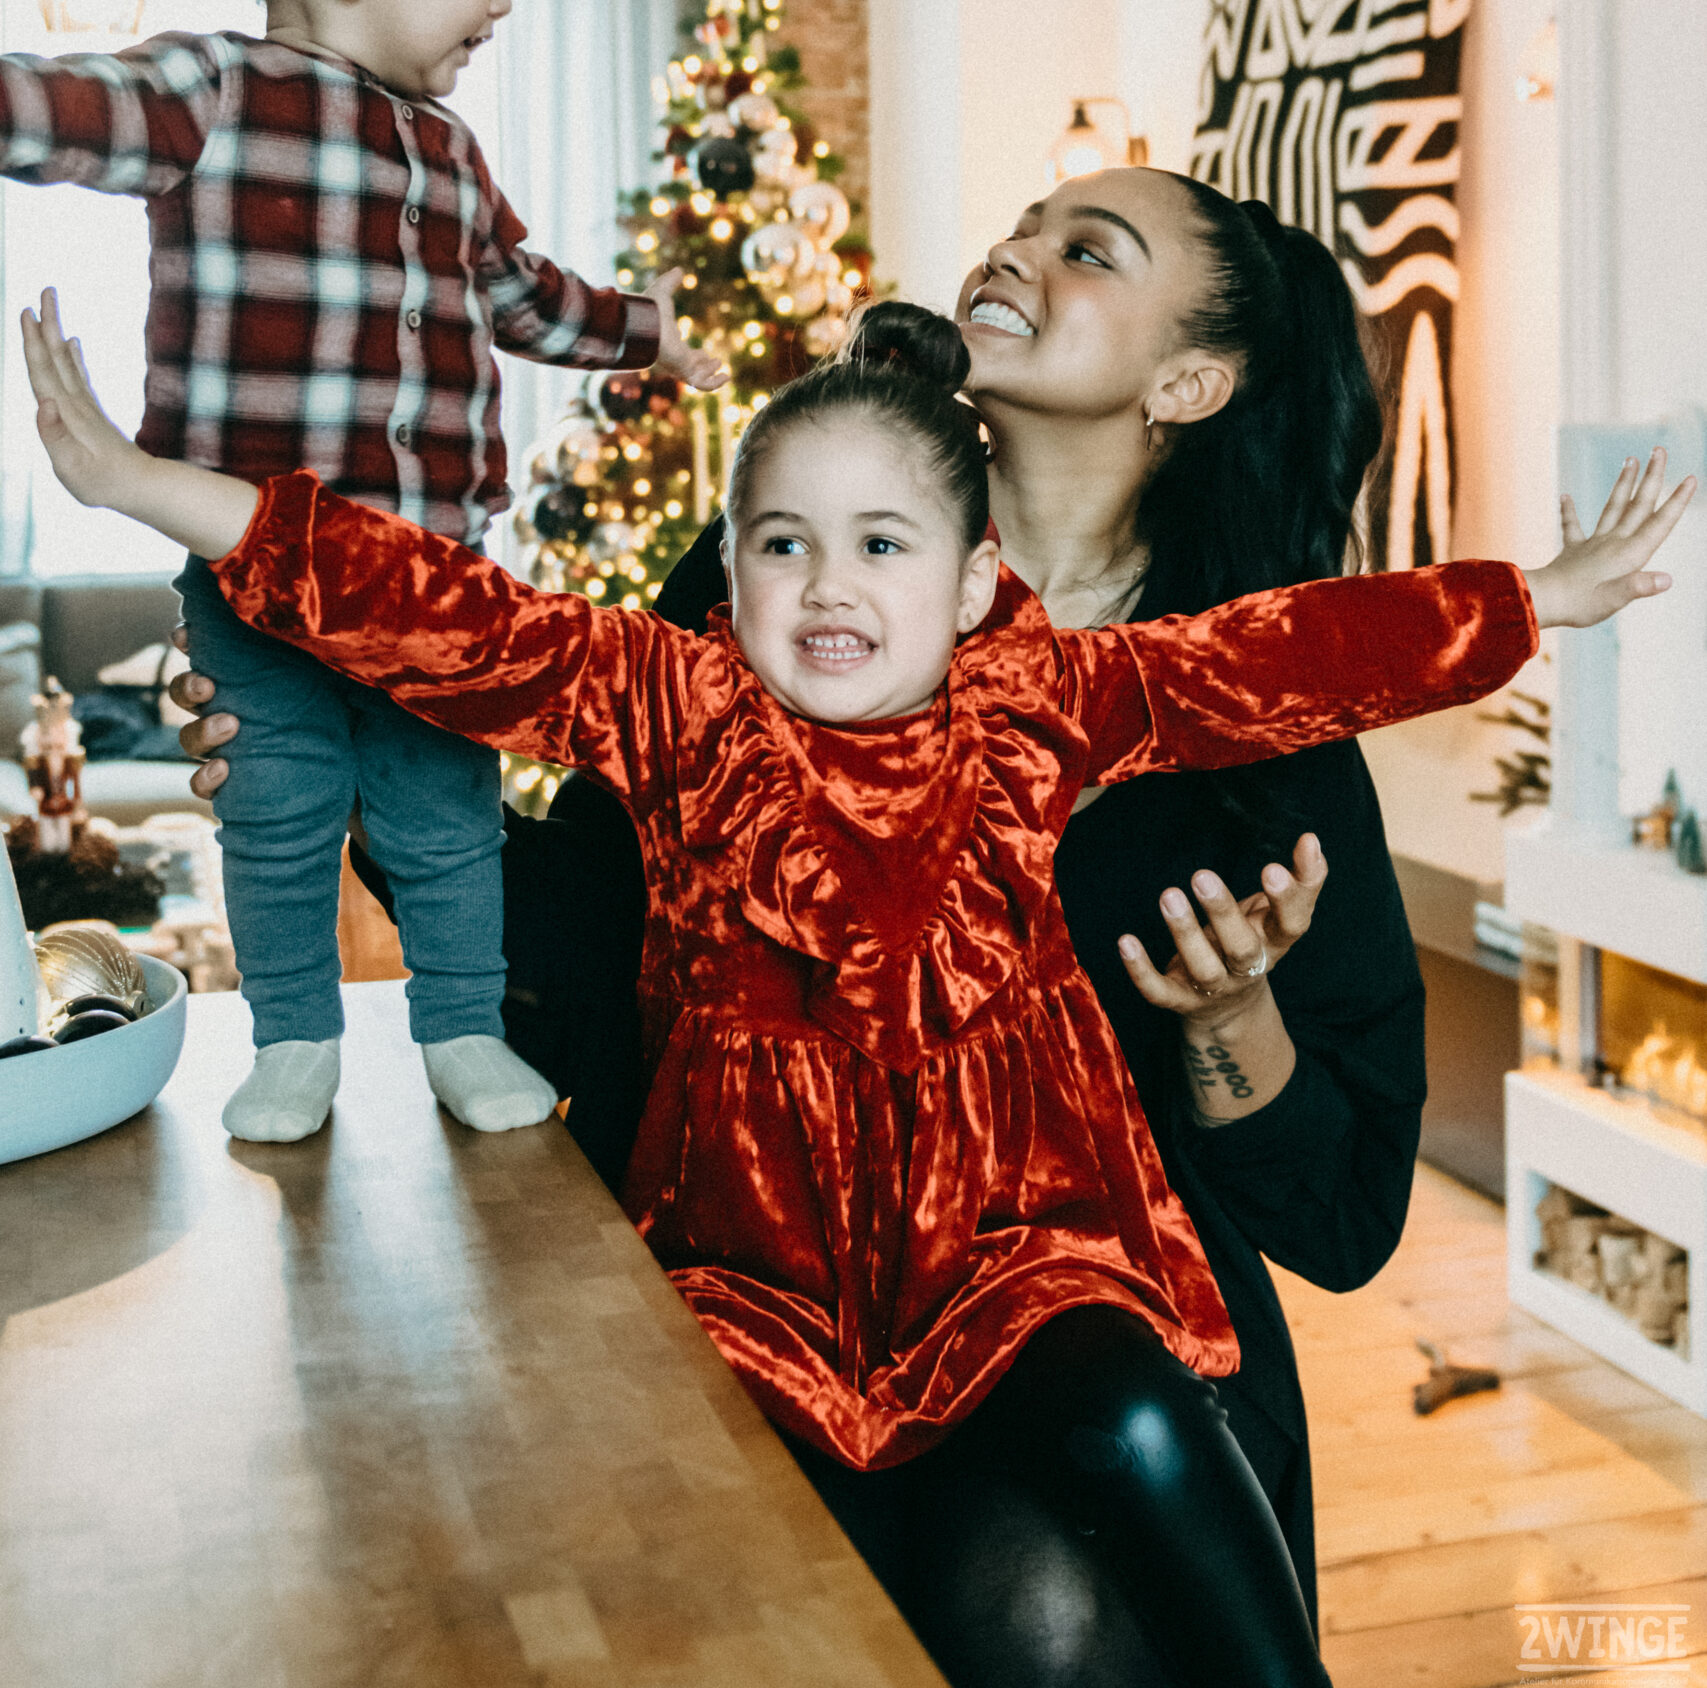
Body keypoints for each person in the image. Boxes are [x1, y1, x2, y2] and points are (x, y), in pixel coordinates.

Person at [23, 284, 1687, 1688]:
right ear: (729, 578)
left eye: (882, 545)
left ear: (970, 588)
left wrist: (1543, 597)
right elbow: (432, 608)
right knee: (694, 1565)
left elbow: (1284, 654)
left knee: (1133, 1418)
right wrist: (142, 483)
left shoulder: (1041, 702)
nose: (830, 587)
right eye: (783, 547)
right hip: (754, 1275)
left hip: (1025, 1247)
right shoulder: (668, 704)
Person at [0, 0, 723, 1144]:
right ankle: (295, 1041)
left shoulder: (453, 154)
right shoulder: (212, 89)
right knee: (275, 814)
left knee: (443, 812)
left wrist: (650, 330)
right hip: (258, 568)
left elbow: (527, 297)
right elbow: (52, 106)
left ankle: (459, 1027)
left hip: (429, 578)